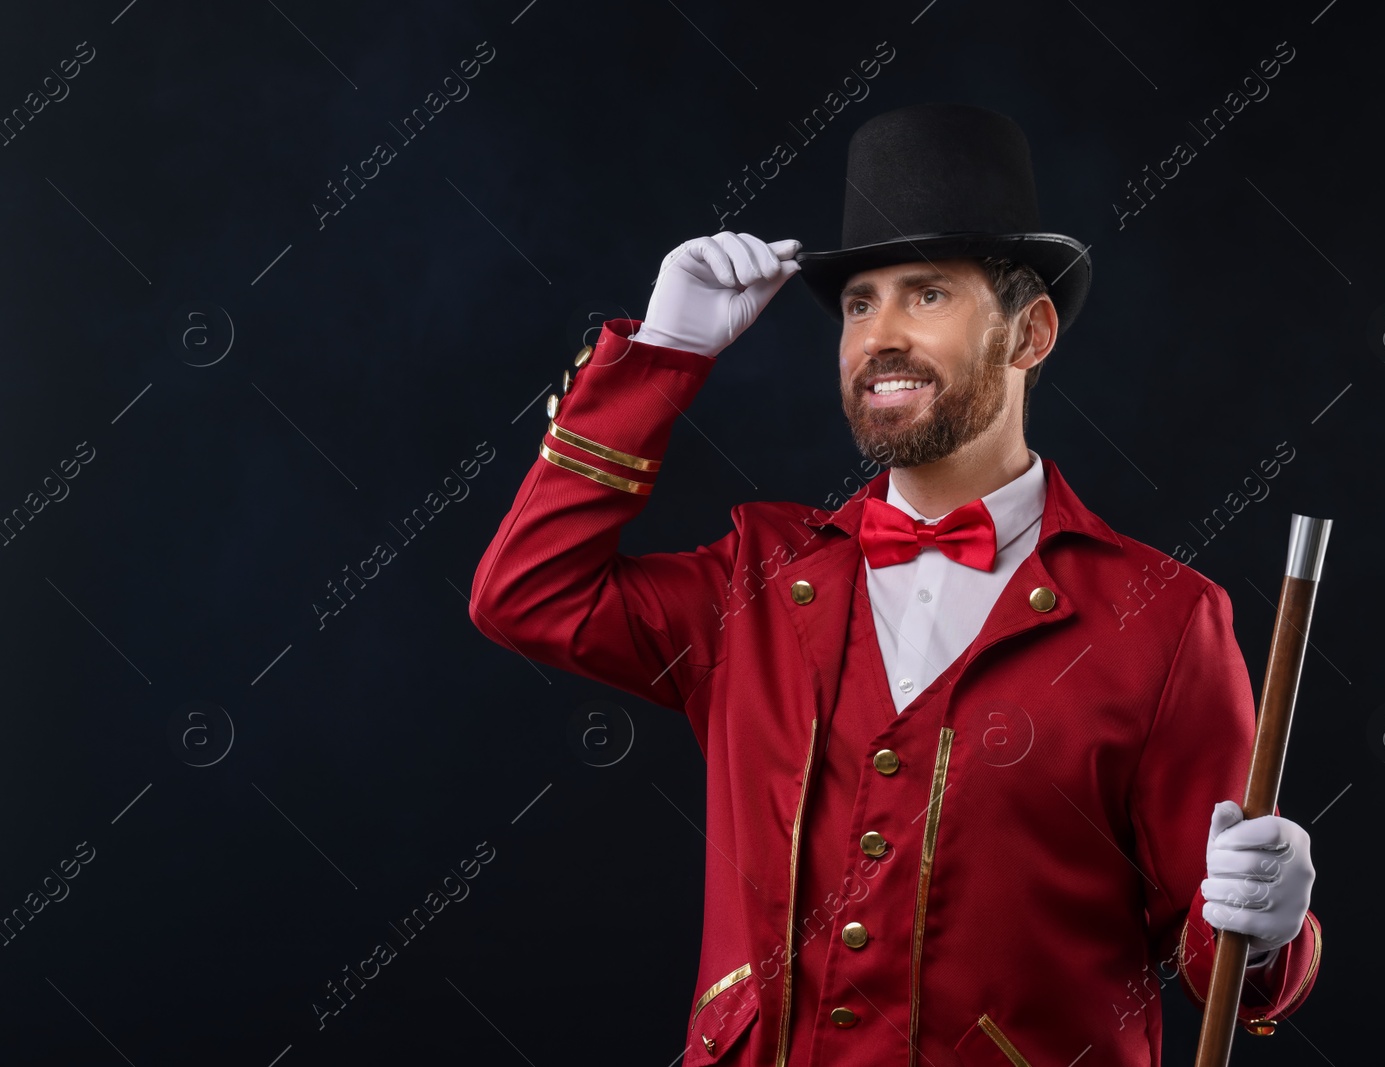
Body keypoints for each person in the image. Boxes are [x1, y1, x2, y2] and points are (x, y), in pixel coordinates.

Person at [469, 102, 1321, 1067]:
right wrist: (661, 360)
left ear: (1029, 333)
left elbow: (1220, 963)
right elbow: (526, 595)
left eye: (926, 295)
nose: (879, 336)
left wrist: (1271, 922)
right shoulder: (757, 576)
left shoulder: (1164, 620)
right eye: (859, 302)